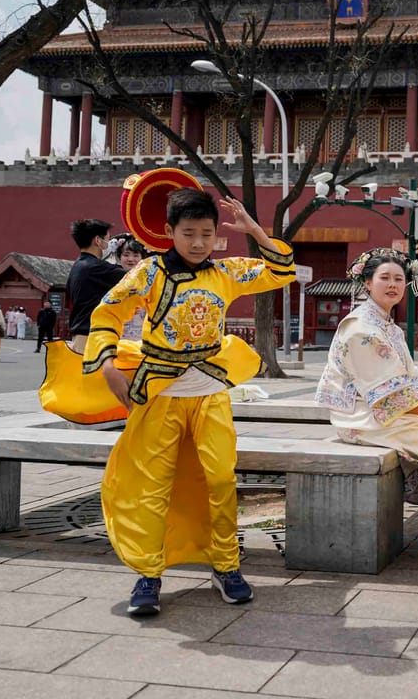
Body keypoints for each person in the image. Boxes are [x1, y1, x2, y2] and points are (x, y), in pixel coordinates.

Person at [80, 188, 296, 616]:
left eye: (207, 234)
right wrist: (106, 363)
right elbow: (106, 315)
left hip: (209, 393)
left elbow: (279, 270)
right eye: (189, 233)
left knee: (221, 481)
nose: (198, 243)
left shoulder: (225, 273)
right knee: (152, 486)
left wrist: (255, 230)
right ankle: (148, 573)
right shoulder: (149, 273)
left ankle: (226, 566)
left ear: (217, 235)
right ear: (169, 231)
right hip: (159, 395)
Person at [315, 248, 418, 504]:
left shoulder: (387, 326)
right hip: (363, 418)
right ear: (368, 283)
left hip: (386, 414)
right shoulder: (360, 327)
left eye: (398, 279)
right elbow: (386, 393)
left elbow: (404, 380)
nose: (392, 284)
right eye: (384, 278)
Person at [66, 219, 127, 353]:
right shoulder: (96, 268)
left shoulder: (78, 265)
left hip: (80, 335)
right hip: (90, 338)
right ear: (98, 240)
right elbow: (134, 277)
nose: (109, 244)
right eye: (108, 239)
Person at [105, 233, 150, 341]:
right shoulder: (109, 277)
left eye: (135, 255)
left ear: (142, 258)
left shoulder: (150, 277)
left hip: (142, 331)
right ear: (119, 257)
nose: (130, 259)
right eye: (126, 255)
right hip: (117, 330)